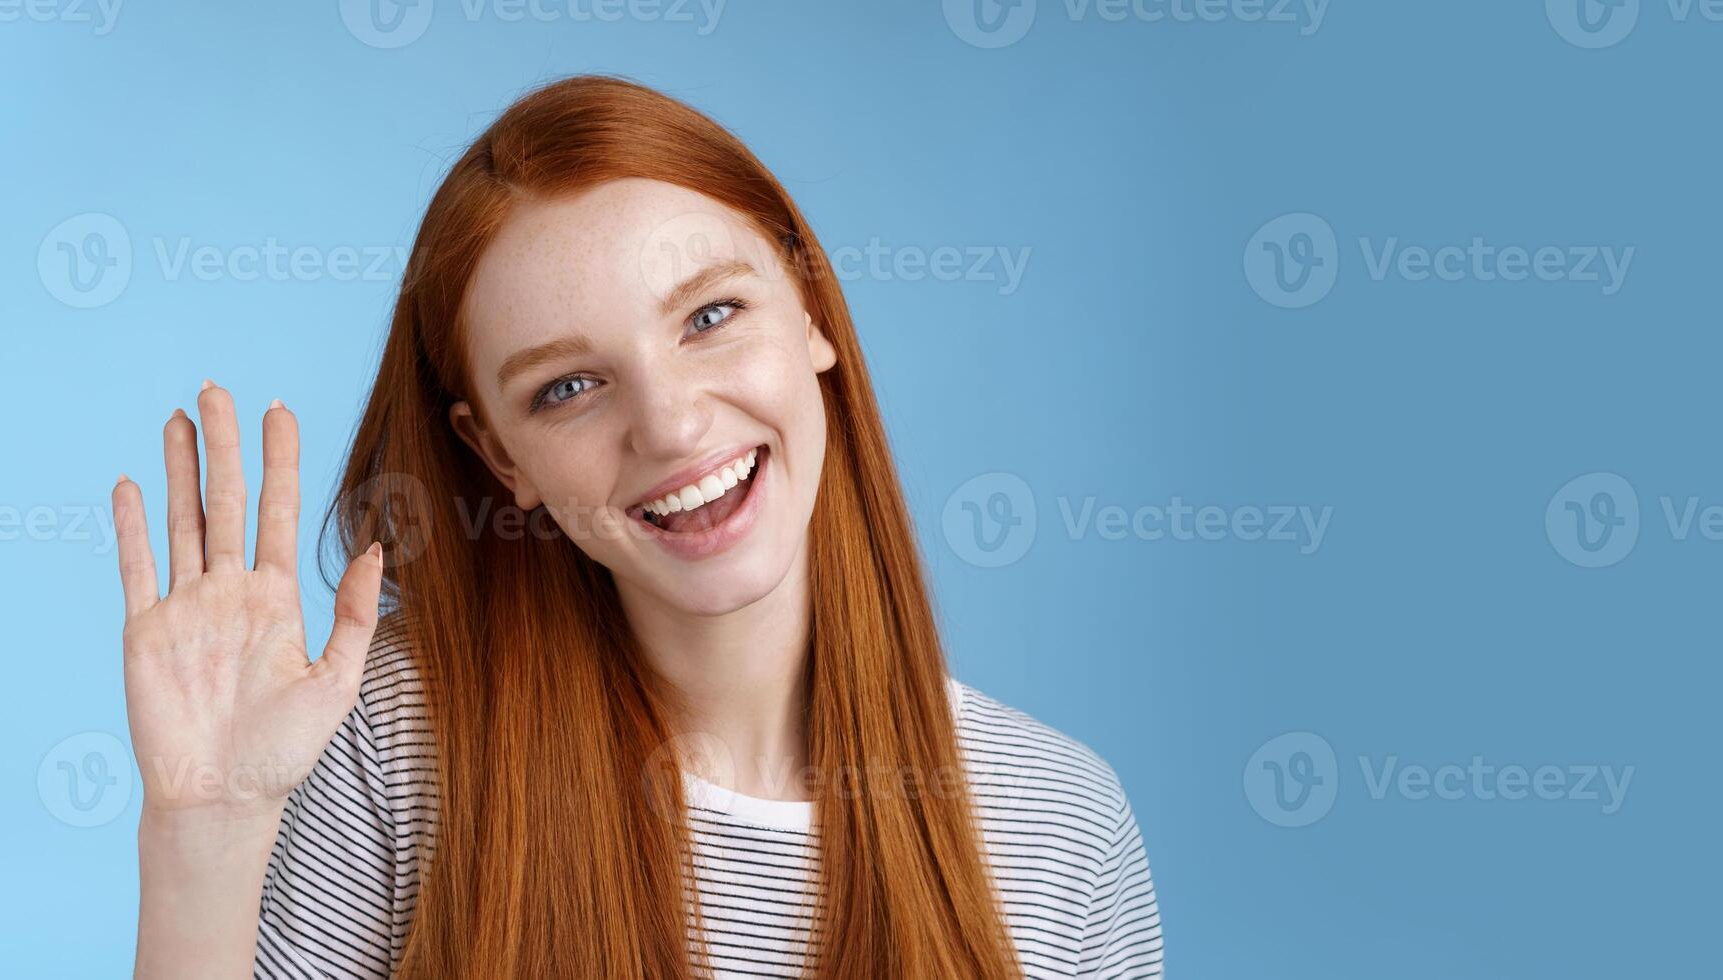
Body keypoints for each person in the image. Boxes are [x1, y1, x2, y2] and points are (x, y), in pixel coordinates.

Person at [110, 75, 1162, 978]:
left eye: (709, 316)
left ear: (810, 316)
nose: (668, 424)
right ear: (499, 456)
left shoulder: (1059, 824)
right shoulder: (393, 745)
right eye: (568, 386)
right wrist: (203, 829)